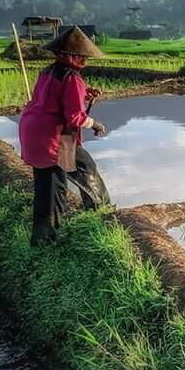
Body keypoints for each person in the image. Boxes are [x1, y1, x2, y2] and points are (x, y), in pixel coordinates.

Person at [17, 25, 111, 245]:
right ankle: (45, 240)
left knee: (76, 168)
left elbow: (53, 98)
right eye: (81, 57)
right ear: (68, 55)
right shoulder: (72, 78)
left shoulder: (49, 71)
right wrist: (96, 123)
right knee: (52, 188)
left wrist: (84, 93)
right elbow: (74, 117)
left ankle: (96, 210)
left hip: (37, 132)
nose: (84, 61)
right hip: (53, 137)